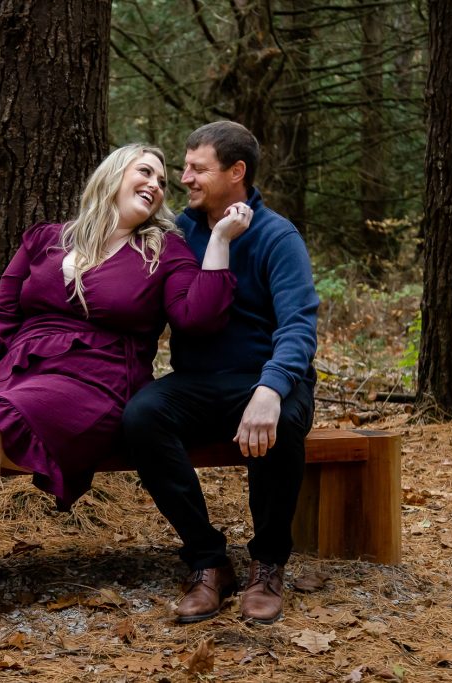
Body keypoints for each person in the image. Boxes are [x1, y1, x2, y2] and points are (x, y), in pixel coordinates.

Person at [0, 144, 252, 649]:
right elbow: (0, 310)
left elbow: (199, 317)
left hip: (96, 380)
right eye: (145, 171)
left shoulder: (162, 250)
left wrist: (219, 241)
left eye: (162, 181)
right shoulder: (47, 238)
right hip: (19, 367)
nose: (156, 185)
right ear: (112, 176)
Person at [123, 122, 319, 624]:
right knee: (142, 417)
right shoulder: (179, 233)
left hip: (265, 377)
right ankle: (208, 559)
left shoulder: (278, 237)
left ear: (237, 172)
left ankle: (268, 563)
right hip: (198, 380)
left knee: (282, 424)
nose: (183, 178)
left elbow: (299, 326)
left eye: (197, 169)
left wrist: (271, 389)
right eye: (183, 167)